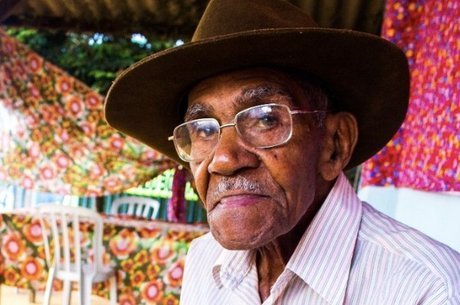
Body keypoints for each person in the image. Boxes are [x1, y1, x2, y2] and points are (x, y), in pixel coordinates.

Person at [104, 0, 460, 304]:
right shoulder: (204, 259)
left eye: (265, 118)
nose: (224, 159)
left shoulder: (427, 289)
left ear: (334, 146)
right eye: (203, 129)